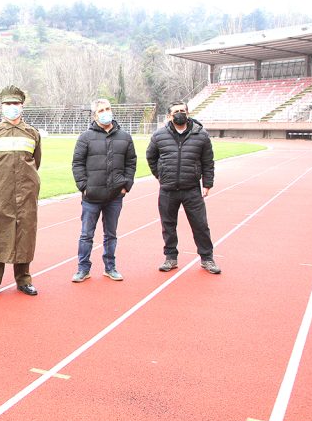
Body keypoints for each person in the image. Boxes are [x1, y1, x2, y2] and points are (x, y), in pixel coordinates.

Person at [0, 85, 41, 298]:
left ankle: (23, 279)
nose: (12, 107)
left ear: (22, 107)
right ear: (2, 107)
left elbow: (35, 162)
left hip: (25, 194)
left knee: (24, 235)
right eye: (8, 104)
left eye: (15, 104)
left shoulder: (32, 134)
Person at [146, 100, 221, 274]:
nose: (179, 113)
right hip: (168, 189)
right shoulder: (159, 135)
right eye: (176, 111)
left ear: (187, 113)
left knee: (200, 225)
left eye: (182, 110)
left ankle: (207, 259)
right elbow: (151, 157)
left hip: (191, 189)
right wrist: (161, 175)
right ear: (169, 116)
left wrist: (207, 183)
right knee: (168, 225)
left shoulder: (201, 134)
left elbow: (208, 161)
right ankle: (170, 258)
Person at [71, 98, 137, 283]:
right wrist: (84, 186)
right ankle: (83, 269)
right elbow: (77, 164)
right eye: (101, 110)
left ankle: (110, 267)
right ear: (95, 114)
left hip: (115, 196)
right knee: (86, 235)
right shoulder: (85, 137)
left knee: (111, 234)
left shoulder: (124, 137)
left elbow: (131, 163)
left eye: (108, 109)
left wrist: (126, 185)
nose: (106, 112)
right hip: (91, 196)